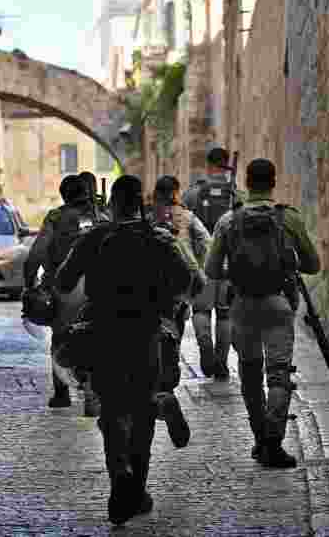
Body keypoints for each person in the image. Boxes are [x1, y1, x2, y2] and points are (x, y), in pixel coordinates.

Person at [54, 175, 201, 526]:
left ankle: (120, 472)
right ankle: (137, 486)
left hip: (104, 334)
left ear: (114, 203)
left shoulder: (95, 237)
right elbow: (190, 282)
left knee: (111, 409)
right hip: (146, 334)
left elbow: (63, 280)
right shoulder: (160, 238)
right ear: (140, 203)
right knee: (142, 413)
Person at [203, 158, 320, 469]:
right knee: (279, 375)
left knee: (250, 375)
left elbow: (212, 270)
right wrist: (285, 262)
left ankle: (259, 440)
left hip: (242, 306)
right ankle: (273, 442)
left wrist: (239, 269)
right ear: (273, 181)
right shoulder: (288, 219)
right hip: (279, 304)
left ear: (247, 181)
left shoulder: (229, 221)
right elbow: (313, 264)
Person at [23, 174, 106, 416]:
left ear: (64, 196)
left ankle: (61, 393)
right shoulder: (104, 215)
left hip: (65, 288)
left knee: (60, 339)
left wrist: (30, 284)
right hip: (102, 286)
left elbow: (36, 253)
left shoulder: (57, 217)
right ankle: (94, 393)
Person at [147, 176, 210, 447]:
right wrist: (200, 270)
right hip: (180, 287)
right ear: (175, 192)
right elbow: (206, 242)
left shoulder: (145, 219)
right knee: (172, 335)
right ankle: (167, 384)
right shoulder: (187, 217)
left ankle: (155, 385)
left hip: (149, 291)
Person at [182, 147, 246, 380]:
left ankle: (205, 351)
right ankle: (221, 362)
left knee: (201, 310)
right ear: (227, 164)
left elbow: (183, 226)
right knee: (225, 314)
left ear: (208, 165)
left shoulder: (193, 193)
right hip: (230, 265)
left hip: (202, 264)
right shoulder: (236, 195)